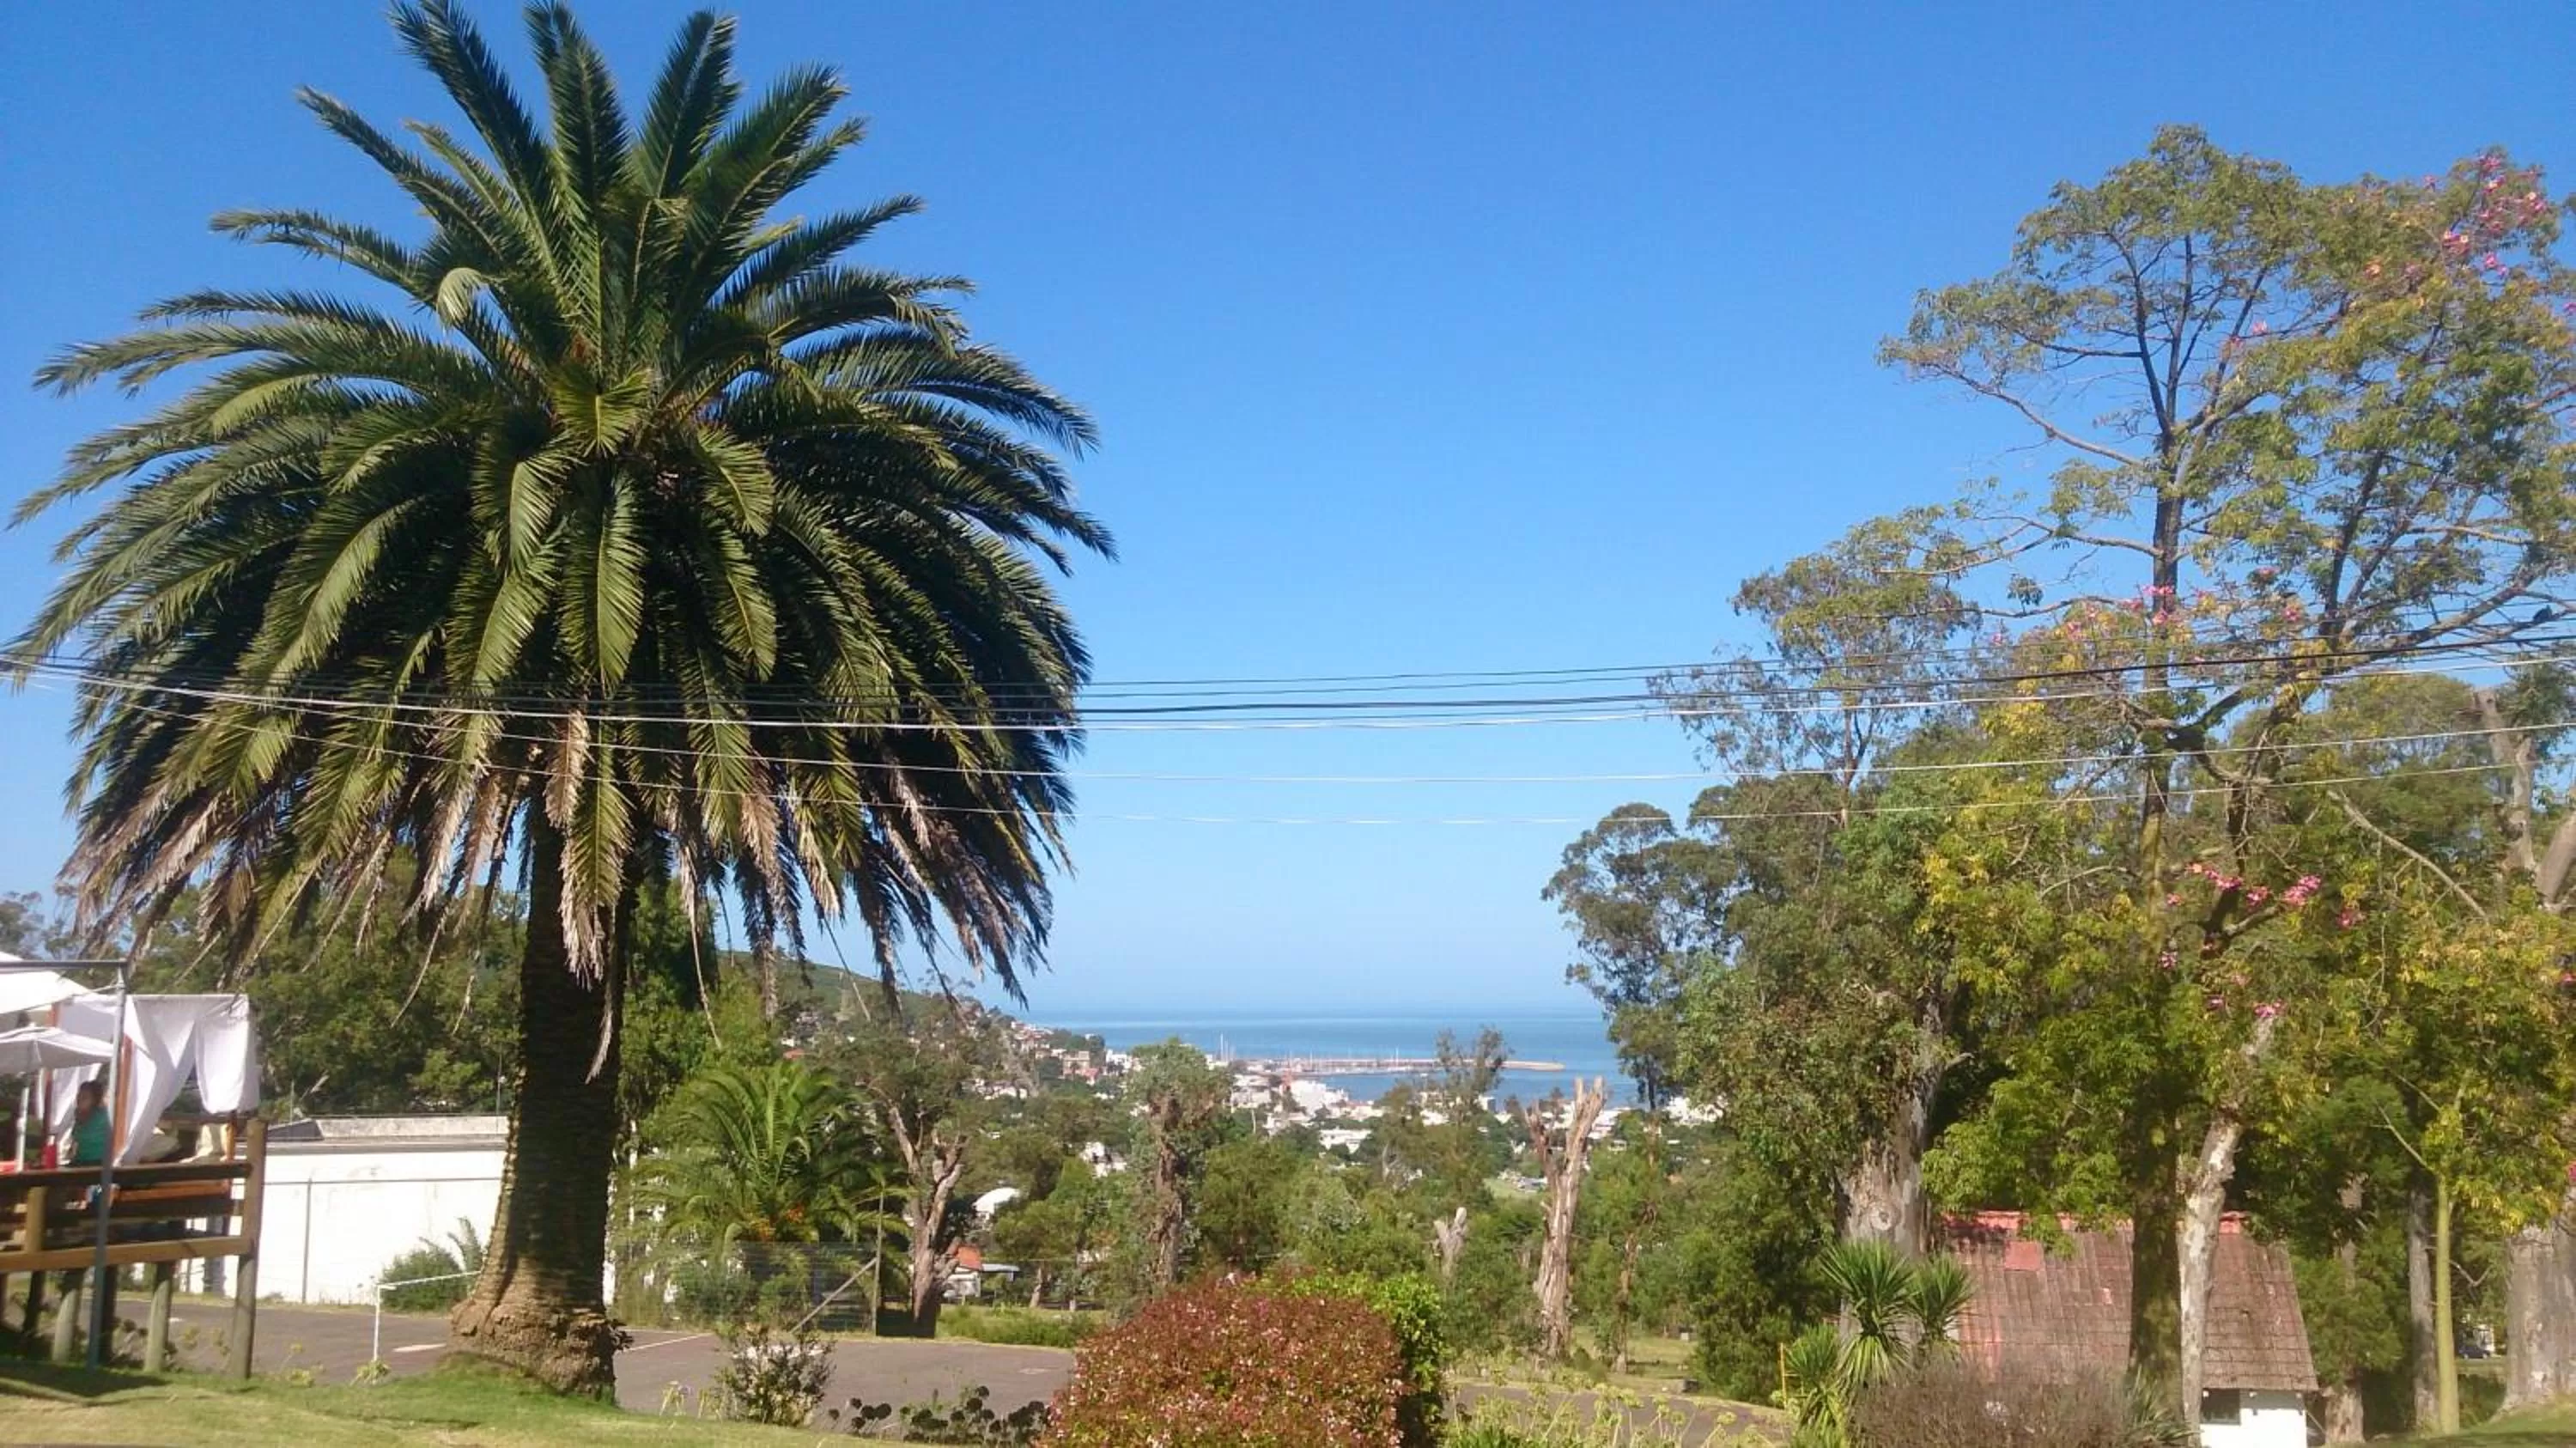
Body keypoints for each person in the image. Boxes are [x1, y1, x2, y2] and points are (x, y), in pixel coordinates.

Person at [65, 1080, 108, 1168]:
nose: (79, 1100)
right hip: (79, 1161)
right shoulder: (79, 1114)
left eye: (84, 1097)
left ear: (94, 1100)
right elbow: (76, 1139)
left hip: (97, 1162)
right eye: (78, 1096)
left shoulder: (103, 1115)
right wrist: (71, 1150)